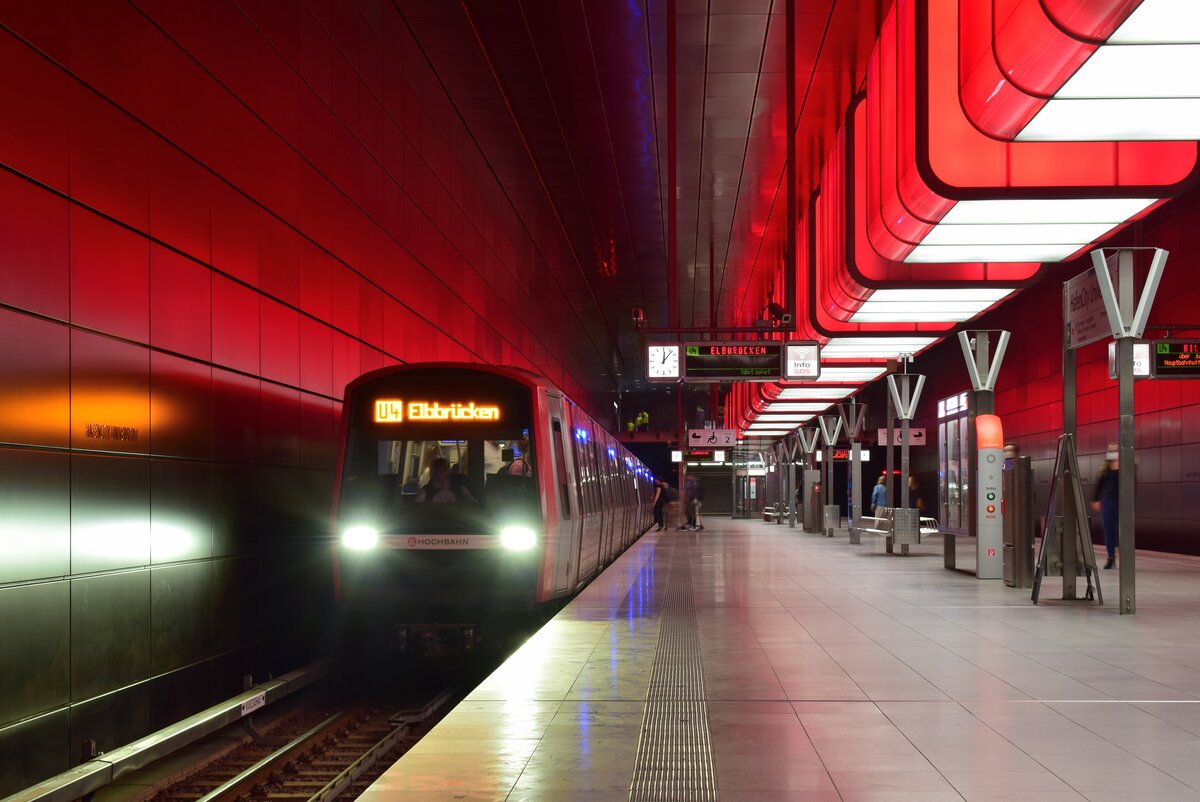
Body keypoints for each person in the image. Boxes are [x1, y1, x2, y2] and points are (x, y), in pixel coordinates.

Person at [1092, 443, 1119, 569]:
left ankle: (1121, 554)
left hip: (1120, 502)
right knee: (1108, 530)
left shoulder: (1125, 468)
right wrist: (1096, 499)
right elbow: (1099, 485)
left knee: (1119, 530)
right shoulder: (1105, 469)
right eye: (1111, 451)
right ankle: (1111, 557)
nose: (1113, 453)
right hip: (1107, 501)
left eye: (1115, 450)